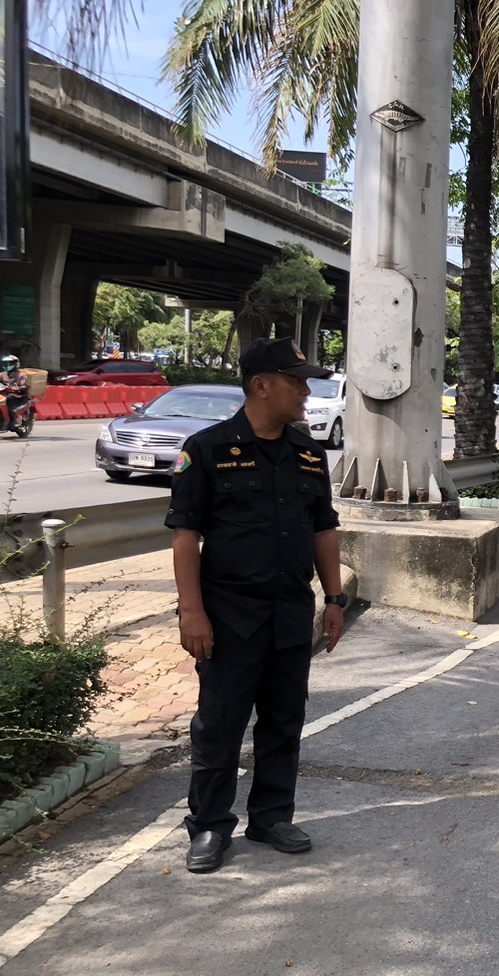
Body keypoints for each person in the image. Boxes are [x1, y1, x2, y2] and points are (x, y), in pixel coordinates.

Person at [166, 337, 349, 874]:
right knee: (219, 726)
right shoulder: (207, 450)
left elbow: (323, 529)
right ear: (261, 385)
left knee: (284, 721)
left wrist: (334, 598)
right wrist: (192, 612)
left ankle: (270, 817)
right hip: (229, 617)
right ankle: (209, 825)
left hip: (290, 613)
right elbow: (185, 537)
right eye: (296, 381)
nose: (305, 392)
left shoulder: (309, 454)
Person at [0, 355, 30, 428]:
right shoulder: (1, 374)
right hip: (4, 395)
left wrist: (17, 388)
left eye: (9, 363)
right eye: (5, 363)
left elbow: (24, 386)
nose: (7, 365)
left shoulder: (21, 375)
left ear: (16, 364)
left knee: (11, 408)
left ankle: (15, 420)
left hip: (18, 397)